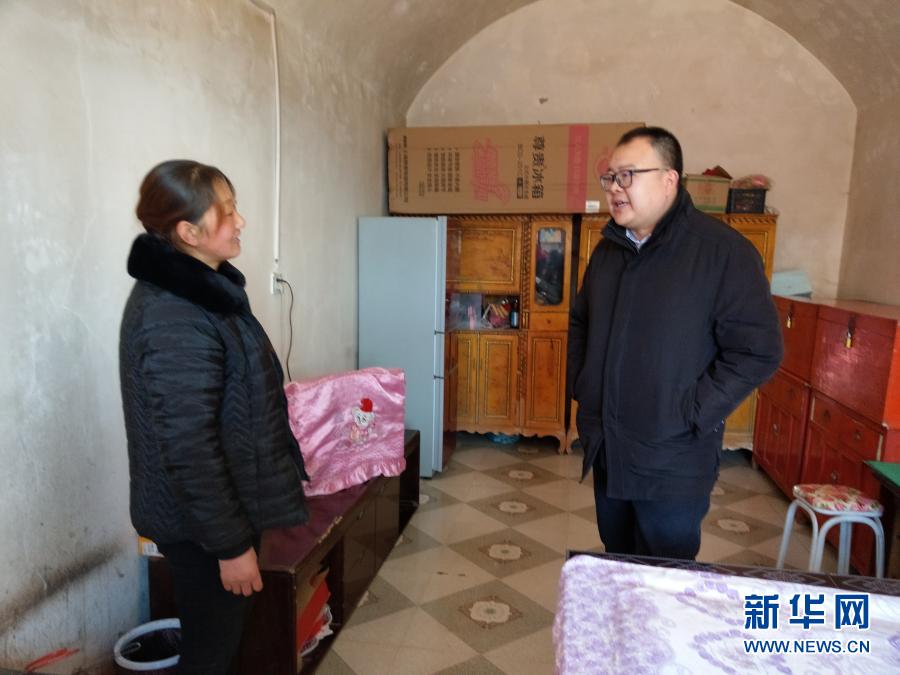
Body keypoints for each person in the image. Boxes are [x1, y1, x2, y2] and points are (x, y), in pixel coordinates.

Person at [119, 160, 309, 673]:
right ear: (188, 232)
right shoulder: (173, 315)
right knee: (210, 652)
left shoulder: (205, 293)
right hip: (200, 525)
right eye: (226, 212)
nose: (240, 221)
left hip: (220, 509)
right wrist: (230, 547)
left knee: (220, 640)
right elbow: (189, 447)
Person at [568, 127, 783, 560]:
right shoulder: (609, 251)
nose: (614, 188)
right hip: (609, 447)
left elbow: (758, 351)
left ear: (669, 180)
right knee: (618, 563)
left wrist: (691, 412)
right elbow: (581, 322)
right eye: (610, 177)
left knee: (664, 575)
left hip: (672, 460)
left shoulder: (722, 253)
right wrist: (585, 386)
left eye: (627, 176)